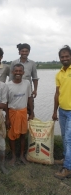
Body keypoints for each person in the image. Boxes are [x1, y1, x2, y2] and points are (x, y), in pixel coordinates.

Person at [6, 64, 34, 166]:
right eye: (16, 71)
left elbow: (30, 98)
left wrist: (32, 112)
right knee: (11, 135)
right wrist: (7, 117)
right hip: (12, 112)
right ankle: (13, 156)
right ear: (13, 72)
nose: (18, 73)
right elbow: (5, 103)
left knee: (23, 134)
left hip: (23, 112)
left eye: (20, 71)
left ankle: (22, 155)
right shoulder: (8, 85)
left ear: (23, 72)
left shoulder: (27, 83)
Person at [52, 45, 71, 179]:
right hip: (62, 110)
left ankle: (67, 168)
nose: (64, 58)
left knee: (69, 139)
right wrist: (54, 111)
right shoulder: (59, 73)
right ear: (59, 58)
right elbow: (57, 93)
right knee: (64, 136)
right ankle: (65, 158)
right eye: (62, 57)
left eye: (67, 56)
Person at [9, 43, 38, 114]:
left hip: (28, 91)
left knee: (30, 111)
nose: (24, 53)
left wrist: (35, 90)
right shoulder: (14, 63)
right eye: (22, 51)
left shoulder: (32, 63)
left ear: (29, 52)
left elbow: (35, 78)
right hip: (16, 91)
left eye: (26, 51)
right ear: (19, 52)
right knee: (15, 110)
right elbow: (11, 78)